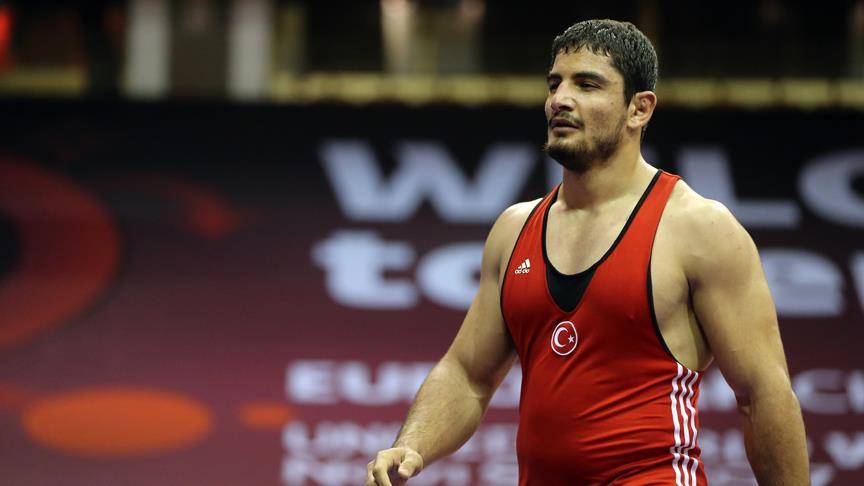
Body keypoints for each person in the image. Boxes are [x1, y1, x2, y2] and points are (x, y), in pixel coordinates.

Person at [366, 19, 809, 485]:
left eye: (587, 85)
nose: (560, 99)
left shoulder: (699, 229)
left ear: (639, 109)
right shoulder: (514, 230)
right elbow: (467, 374)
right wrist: (413, 444)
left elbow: (763, 394)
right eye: (554, 84)